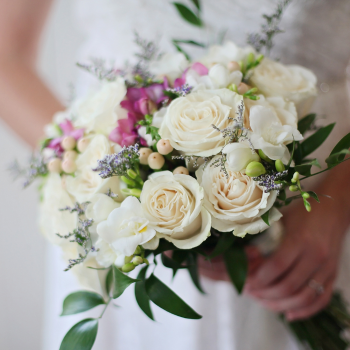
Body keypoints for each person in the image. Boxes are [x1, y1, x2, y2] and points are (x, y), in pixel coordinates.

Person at [1, 0, 350, 349]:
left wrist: (336, 207)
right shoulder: (119, 197)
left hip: (313, 217)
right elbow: (6, 58)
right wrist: (107, 180)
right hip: (126, 222)